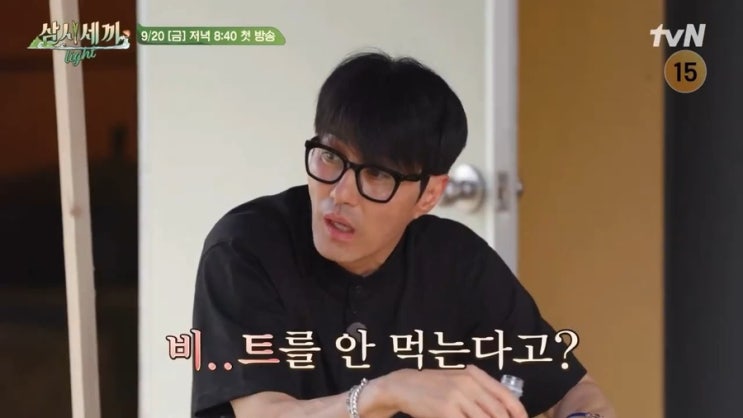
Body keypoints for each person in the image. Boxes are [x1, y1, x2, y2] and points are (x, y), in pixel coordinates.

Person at [191, 50, 616, 418]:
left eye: (377, 175)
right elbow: (262, 412)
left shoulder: (457, 262)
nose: (340, 194)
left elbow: (576, 391)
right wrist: (385, 393)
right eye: (330, 157)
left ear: (429, 194)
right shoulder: (247, 247)